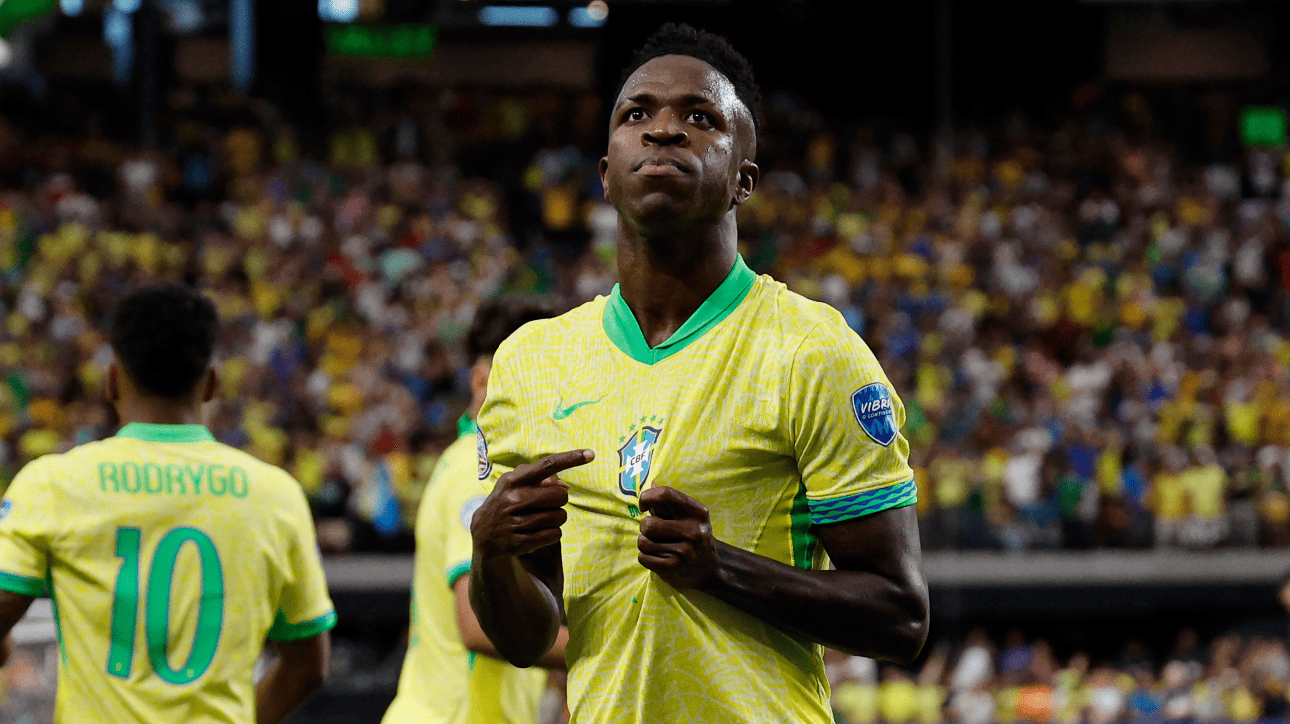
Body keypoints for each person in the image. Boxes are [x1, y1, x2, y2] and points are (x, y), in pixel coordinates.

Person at [468, 23, 928, 724]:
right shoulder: (531, 362)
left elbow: (902, 617)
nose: (663, 131)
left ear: (744, 179)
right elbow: (527, 639)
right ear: (605, 172)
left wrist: (722, 569)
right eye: (637, 114)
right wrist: (490, 553)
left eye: (701, 117)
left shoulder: (811, 350)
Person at [0, 281, 334, 724]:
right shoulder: (276, 495)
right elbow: (308, 666)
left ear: (112, 379)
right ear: (212, 382)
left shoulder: (53, 484)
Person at [383, 299, 566, 723]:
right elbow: (477, 627)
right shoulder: (479, 472)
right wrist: (595, 651)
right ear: (481, 380)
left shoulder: (469, 462)